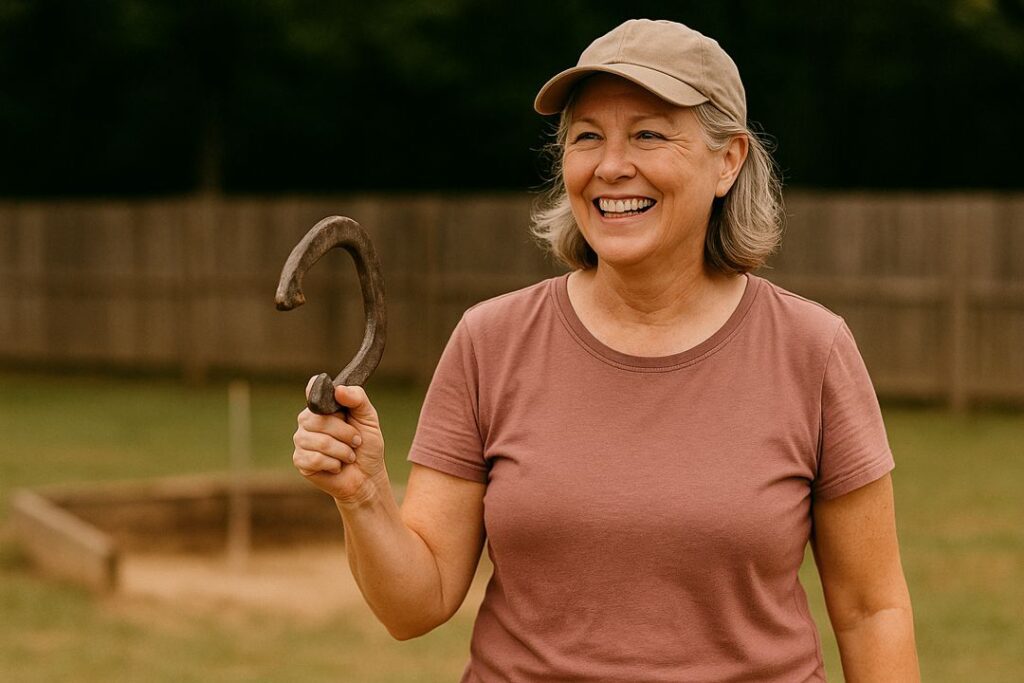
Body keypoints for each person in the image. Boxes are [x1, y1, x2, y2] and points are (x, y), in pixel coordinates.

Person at [291, 18, 920, 682]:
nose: (611, 165)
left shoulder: (812, 350)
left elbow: (872, 608)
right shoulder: (491, 342)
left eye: (648, 134)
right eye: (587, 137)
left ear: (727, 160)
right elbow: (413, 605)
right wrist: (362, 495)